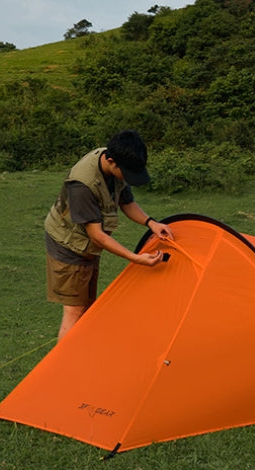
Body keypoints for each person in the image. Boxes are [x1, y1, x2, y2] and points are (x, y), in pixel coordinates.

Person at [44, 130, 173, 339]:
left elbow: (127, 203)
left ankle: (82, 355)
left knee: (88, 307)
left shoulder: (117, 164)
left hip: (88, 247)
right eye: (128, 173)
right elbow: (97, 235)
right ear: (111, 161)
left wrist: (152, 224)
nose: (129, 178)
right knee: (74, 311)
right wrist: (135, 258)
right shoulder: (82, 184)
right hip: (68, 246)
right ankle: (63, 369)